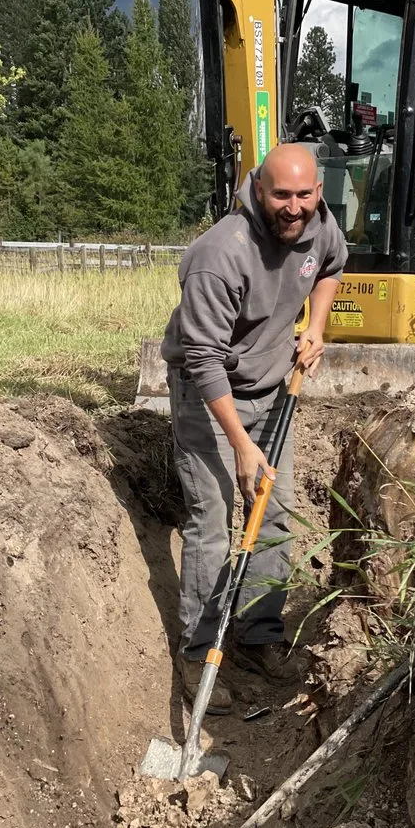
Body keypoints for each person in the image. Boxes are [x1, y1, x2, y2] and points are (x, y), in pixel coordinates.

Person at [161, 143, 347, 713]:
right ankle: (198, 654)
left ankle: (260, 634)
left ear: (318, 192)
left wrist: (315, 327)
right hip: (209, 395)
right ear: (258, 190)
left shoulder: (319, 224)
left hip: (272, 388)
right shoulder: (220, 255)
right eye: (282, 195)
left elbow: (333, 266)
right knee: (213, 519)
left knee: (274, 511)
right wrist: (241, 446)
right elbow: (201, 359)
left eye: (305, 195)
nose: (294, 208)